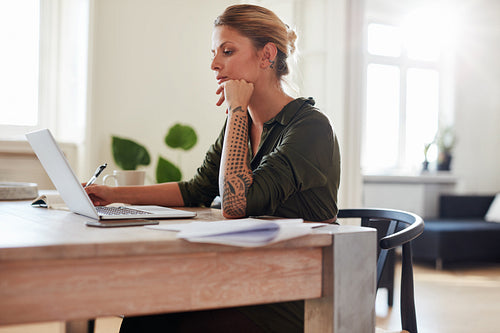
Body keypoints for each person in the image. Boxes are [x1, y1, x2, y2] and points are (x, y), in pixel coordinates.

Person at [85, 4, 341, 332]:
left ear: (267, 56)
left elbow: (236, 204)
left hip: (293, 293)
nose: (214, 64)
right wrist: (111, 194)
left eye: (228, 51)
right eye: (214, 52)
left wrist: (236, 109)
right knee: (144, 316)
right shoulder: (242, 122)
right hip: (242, 278)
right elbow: (198, 189)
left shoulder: (310, 127)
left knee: (164, 324)